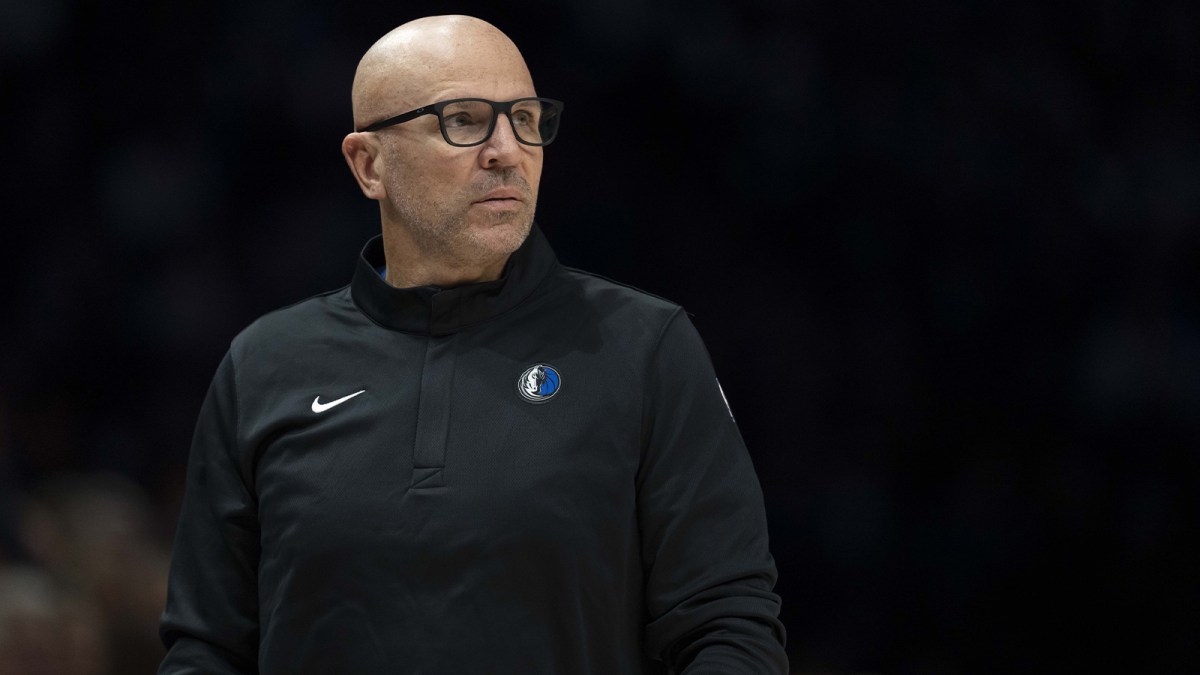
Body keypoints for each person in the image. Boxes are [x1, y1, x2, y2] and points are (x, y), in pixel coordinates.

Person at [159, 15, 787, 674]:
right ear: (368, 163)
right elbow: (207, 648)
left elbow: (730, 626)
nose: (507, 150)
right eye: (463, 120)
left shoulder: (645, 348)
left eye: (525, 118)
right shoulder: (263, 364)